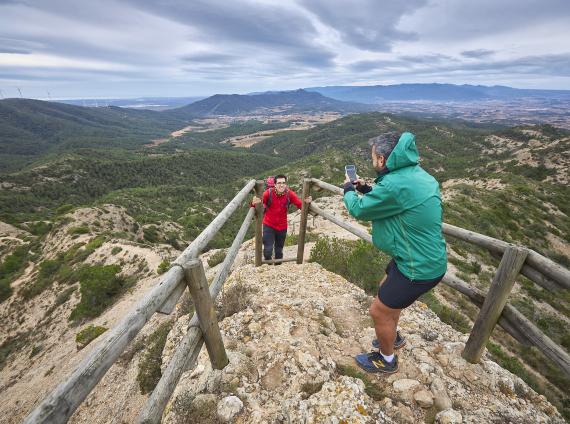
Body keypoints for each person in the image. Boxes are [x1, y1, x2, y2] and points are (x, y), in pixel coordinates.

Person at [343, 131, 447, 374]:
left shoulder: (394, 183)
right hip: (423, 257)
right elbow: (397, 201)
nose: (372, 162)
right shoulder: (414, 175)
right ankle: (393, 336)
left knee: (378, 310)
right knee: (386, 287)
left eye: (373, 158)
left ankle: (386, 360)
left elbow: (358, 210)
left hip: (417, 266)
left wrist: (348, 189)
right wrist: (368, 189)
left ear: (381, 160)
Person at [252, 175, 312, 263]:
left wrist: (307, 202)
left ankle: (278, 267)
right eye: (279, 183)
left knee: (279, 251)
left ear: (286, 184)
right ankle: (268, 266)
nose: (281, 185)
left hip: (282, 226)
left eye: (283, 183)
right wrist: (254, 202)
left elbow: (300, 205)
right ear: (275, 185)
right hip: (269, 225)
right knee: (268, 250)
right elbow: (256, 204)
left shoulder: (289, 194)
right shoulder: (268, 193)